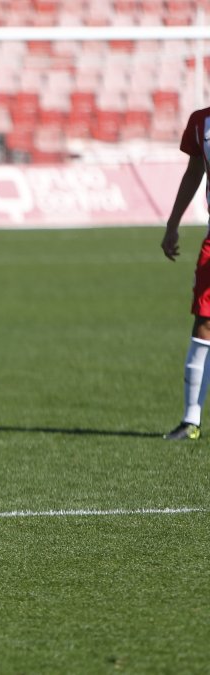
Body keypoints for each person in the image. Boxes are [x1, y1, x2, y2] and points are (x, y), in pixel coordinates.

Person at [161, 105, 210, 440]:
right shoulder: (200, 122)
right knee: (204, 321)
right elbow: (194, 171)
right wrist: (173, 224)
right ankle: (191, 420)